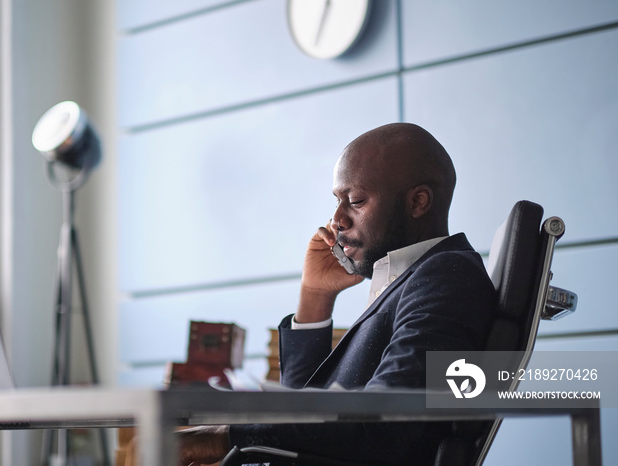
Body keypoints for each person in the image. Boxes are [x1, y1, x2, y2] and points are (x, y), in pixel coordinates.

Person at [177, 123, 496, 465]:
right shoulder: (410, 281)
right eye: (337, 201)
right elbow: (306, 410)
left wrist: (223, 437)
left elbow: (384, 424)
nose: (337, 219)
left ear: (418, 202)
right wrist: (315, 295)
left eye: (355, 201)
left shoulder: (445, 276)